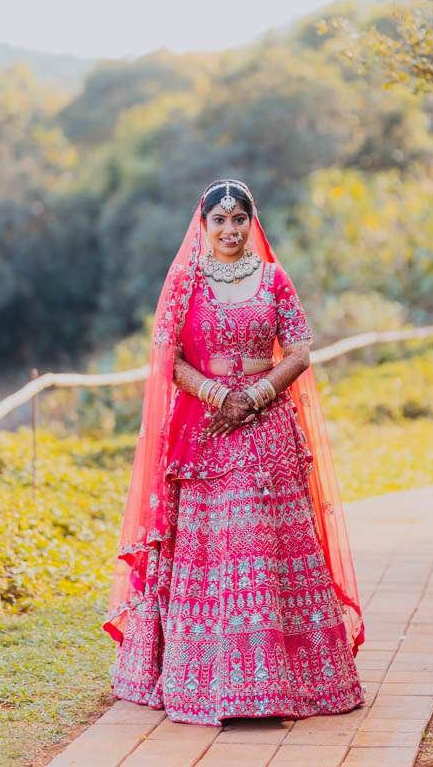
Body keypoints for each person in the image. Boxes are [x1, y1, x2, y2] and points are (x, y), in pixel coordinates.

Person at [102, 179, 365, 726]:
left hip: (269, 432)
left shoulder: (273, 279)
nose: (229, 230)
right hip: (205, 433)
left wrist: (257, 394)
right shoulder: (185, 284)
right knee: (217, 550)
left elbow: (299, 350)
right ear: (203, 225)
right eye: (219, 220)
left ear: (252, 222)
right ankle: (212, 682)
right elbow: (168, 359)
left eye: (238, 219)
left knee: (267, 547)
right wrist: (222, 396)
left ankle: (288, 682)